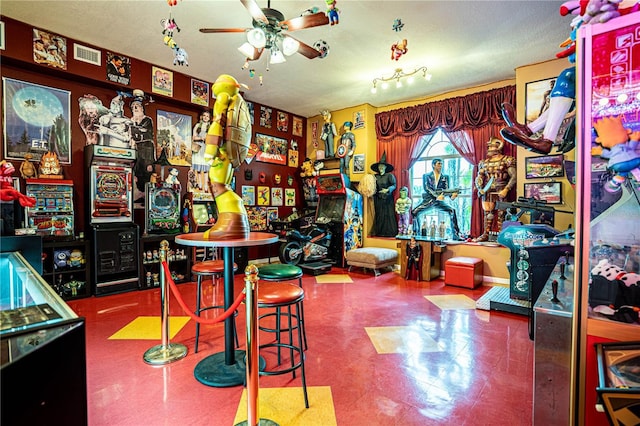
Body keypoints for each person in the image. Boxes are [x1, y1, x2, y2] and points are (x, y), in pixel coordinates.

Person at [203, 74, 252, 239]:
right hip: (228, 154)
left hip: (221, 153)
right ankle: (230, 220)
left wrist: (210, 150)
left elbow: (217, 124)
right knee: (221, 183)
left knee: (217, 183)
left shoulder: (223, 100)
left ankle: (229, 223)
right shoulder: (235, 101)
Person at [474, 137, 517, 242]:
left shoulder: (507, 160)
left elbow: (514, 176)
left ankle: (501, 235)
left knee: (502, 213)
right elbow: (479, 177)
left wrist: (506, 189)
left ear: (498, 147)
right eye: (489, 146)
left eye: (491, 146)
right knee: (487, 213)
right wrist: (479, 187)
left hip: (501, 188)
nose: (489, 148)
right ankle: (486, 234)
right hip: (487, 190)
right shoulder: (484, 162)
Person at [411, 158, 462, 240]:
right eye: (439, 164)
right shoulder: (426, 176)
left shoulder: (445, 177)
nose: (440, 165)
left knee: (452, 211)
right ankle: (416, 233)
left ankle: (456, 235)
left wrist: (452, 196)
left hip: (439, 202)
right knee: (414, 212)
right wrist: (436, 196)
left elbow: (446, 190)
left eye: (441, 164)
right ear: (433, 165)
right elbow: (427, 188)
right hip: (429, 200)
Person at [129, 94, 155, 200]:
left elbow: (144, 132)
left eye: (137, 106)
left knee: (147, 170)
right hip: (137, 149)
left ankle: (146, 195)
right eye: (133, 106)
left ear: (142, 108)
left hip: (147, 148)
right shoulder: (132, 121)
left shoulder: (147, 120)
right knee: (137, 171)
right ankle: (139, 193)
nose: (135, 108)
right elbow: (132, 134)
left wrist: (136, 130)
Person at [370, 152, 398, 237]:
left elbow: (394, 185)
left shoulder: (390, 176)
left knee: (388, 215)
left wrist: (388, 190)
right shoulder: (375, 176)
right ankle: (380, 232)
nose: (381, 168)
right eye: (379, 166)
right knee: (379, 215)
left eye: (382, 166)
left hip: (388, 199)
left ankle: (389, 233)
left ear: (385, 167)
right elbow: (371, 185)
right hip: (378, 199)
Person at [191, 110, 212, 193]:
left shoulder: (210, 127)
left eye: (207, 116)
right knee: (199, 169)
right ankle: (199, 184)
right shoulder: (197, 125)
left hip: (206, 148)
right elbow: (194, 137)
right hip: (199, 147)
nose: (205, 117)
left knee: (206, 169)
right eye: (204, 115)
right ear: (202, 116)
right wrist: (201, 138)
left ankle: (206, 186)